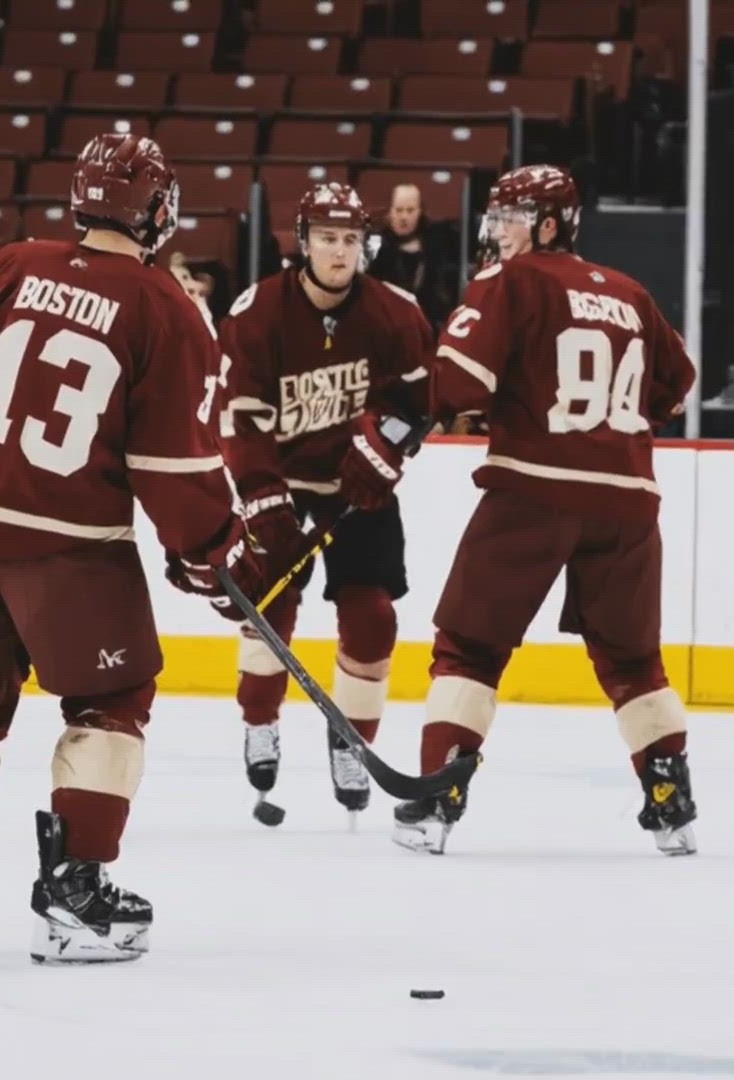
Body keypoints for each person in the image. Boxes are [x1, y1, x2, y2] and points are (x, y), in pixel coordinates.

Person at [0, 133, 268, 965]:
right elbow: (171, 463)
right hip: (64, 541)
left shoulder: (12, 262)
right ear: (158, 212)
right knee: (112, 699)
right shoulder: (167, 306)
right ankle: (75, 896)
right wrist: (209, 547)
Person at [351, 164, 700, 857]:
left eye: (510, 220)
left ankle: (436, 799)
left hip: (533, 491)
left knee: (469, 648)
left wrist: (389, 424)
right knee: (634, 662)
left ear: (546, 224)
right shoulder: (629, 292)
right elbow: (679, 386)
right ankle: (673, 802)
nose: (498, 234)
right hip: (629, 502)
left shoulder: (509, 282)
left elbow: (456, 382)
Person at [214, 181, 435, 823]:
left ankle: (352, 739)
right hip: (280, 485)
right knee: (268, 606)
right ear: (303, 242)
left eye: (348, 240)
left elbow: (421, 400)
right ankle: (260, 720)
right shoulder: (257, 312)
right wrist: (260, 494)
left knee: (372, 619)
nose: (338, 252)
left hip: (357, 487)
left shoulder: (396, 311)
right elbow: (239, 416)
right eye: (326, 239)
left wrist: (385, 449)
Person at [369, 182, 461, 329]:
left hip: (430, 328)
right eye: (399, 210)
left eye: (410, 210)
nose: (404, 217)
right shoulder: (378, 250)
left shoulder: (438, 249)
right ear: (390, 212)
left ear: (419, 212)